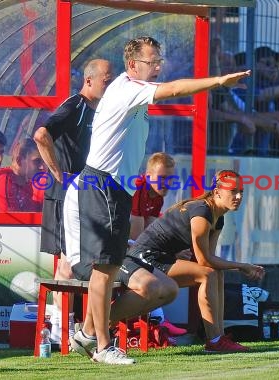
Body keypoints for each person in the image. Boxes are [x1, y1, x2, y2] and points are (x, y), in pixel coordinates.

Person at [63, 36, 250, 365]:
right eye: (153, 61)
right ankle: (102, 346)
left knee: (110, 269)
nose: (159, 66)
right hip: (103, 184)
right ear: (133, 65)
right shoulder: (128, 88)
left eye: (160, 60)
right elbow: (176, 89)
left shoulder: (130, 88)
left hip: (115, 188)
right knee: (104, 269)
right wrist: (219, 81)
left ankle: (91, 335)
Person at [73, 170, 264, 353]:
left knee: (215, 273)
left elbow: (208, 259)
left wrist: (238, 266)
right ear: (217, 192)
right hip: (142, 257)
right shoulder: (202, 211)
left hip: (161, 259)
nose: (238, 196)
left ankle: (218, 338)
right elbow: (205, 260)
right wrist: (242, 266)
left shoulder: (218, 218)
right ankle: (214, 340)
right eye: (233, 191)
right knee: (209, 274)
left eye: (241, 192)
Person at [33, 59, 113, 344]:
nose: (110, 83)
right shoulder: (75, 106)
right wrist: (58, 174)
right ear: (89, 80)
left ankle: (67, 326)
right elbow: (42, 135)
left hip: (86, 194)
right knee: (66, 260)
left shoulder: (102, 109)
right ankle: (59, 328)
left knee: (80, 259)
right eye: (106, 78)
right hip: (66, 195)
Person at [127, 152, 186, 337]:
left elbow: (154, 234)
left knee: (158, 259)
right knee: (149, 261)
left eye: (170, 178)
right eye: (162, 178)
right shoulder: (138, 188)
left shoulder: (157, 195)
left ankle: (157, 320)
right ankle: (157, 320)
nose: (166, 183)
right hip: (120, 249)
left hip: (133, 247)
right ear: (147, 175)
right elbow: (137, 239)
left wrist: (174, 251)